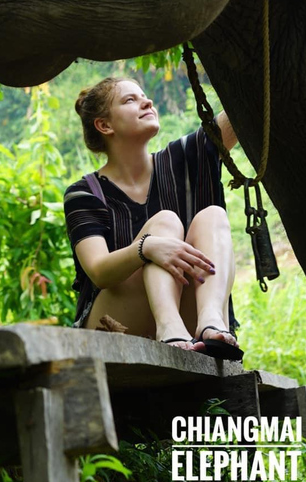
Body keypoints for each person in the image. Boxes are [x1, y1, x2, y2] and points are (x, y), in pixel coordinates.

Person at [63, 77, 243, 360]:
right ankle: (168, 327)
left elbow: (245, 114)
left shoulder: (184, 157)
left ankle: (211, 322)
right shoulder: (85, 193)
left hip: (190, 320)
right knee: (165, 223)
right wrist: (146, 248)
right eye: (129, 100)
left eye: (144, 96)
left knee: (213, 215)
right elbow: (98, 270)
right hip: (113, 325)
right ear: (105, 125)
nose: (147, 102)